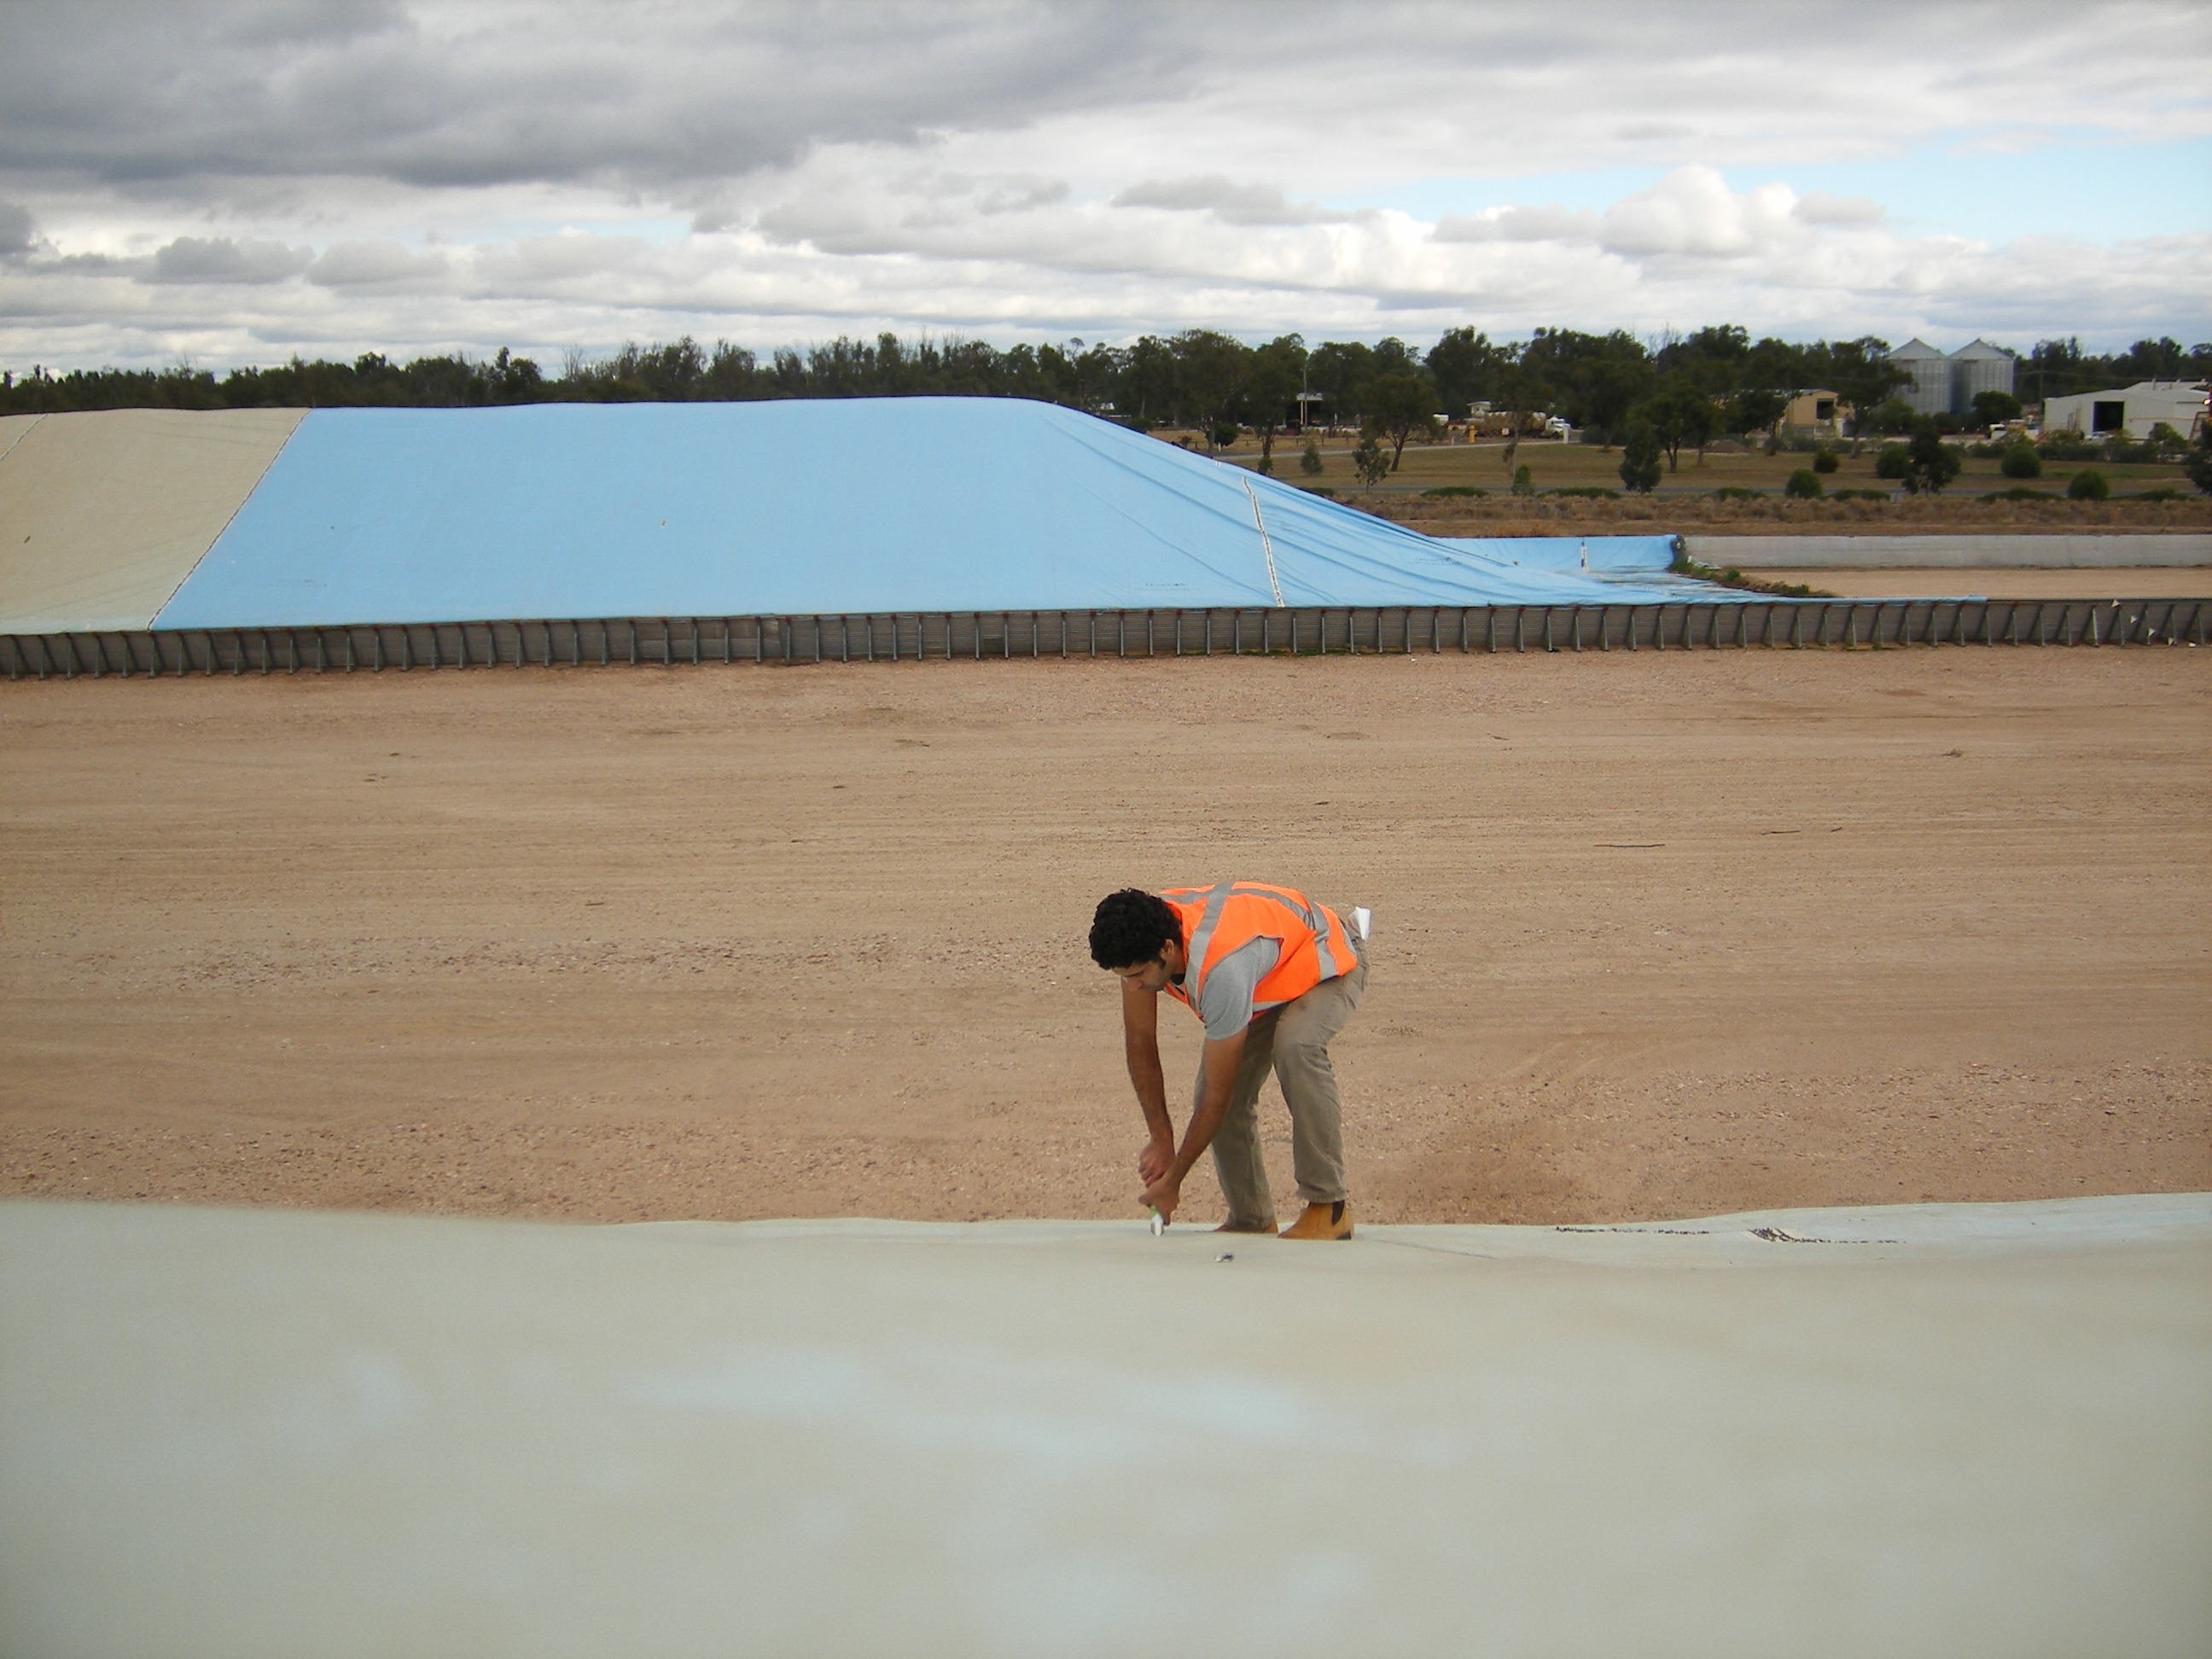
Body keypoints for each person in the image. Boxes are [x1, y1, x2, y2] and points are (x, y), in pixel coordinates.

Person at [1087, 883, 1369, 1240]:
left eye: (1139, 975)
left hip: (1328, 954)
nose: (1134, 986)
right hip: (1269, 973)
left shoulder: (1221, 968)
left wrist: (1174, 1181)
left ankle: (1330, 1208)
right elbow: (1141, 1044)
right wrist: (1161, 1139)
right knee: (1221, 1090)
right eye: (1125, 978)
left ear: (1167, 949)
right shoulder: (1143, 936)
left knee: (1296, 1047)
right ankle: (1251, 1218)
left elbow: (1216, 1099)